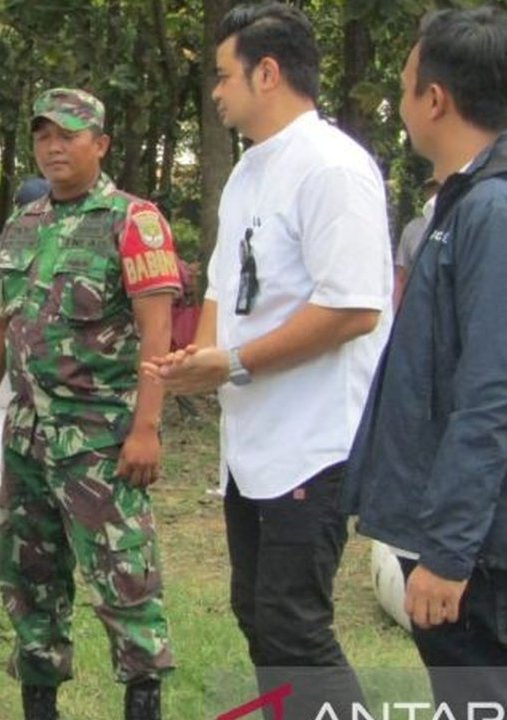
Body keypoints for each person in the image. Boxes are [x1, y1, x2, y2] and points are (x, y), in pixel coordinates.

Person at [341, 7, 507, 716]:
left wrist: (449, 552)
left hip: (488, 549)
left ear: (435, 99)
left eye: (403, 86)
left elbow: (493, 394)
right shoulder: (466, 204)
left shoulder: (500, 213)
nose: (400, 103)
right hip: (470, 536)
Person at [144, 3, 390, 715]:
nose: (216, 91)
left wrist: (234, 363)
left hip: (312, 442)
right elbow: (226, 284)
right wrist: (204, 357)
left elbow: (353, 308)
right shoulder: (251, 172)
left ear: (268, 72)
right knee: (257, 613)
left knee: (294, 624)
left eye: (224, 75)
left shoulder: (333, 168)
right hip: (251, 443)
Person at [0, 88, 177, 720]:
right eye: (43, 135)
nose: (54, 146)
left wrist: (147, 427)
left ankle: (143, 701)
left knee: (123, 579)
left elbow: (157, 335)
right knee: (28, 578)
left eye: (68, 135)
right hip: (27, 434)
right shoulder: (22, 225)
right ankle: (40, 704)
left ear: (100, 145)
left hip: (100, 437)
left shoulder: (133, 221)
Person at [392, 177, 440, 309]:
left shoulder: (458, 222)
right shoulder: (413, 228)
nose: (433, 193)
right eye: (429, 189)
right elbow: (401, 275)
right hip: (415, 304)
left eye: (437, 188)